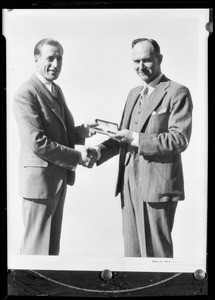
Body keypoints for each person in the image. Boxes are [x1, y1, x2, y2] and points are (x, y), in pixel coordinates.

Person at [87, 38, 193, 258]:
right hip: (128, 185)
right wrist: (97, 151)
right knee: (132, 256)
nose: (141, 67)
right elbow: (122, 136)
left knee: (157, 257)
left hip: (157, 187)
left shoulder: (177, 92)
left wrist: (136, 138)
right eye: (136, 61)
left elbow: (179, 139)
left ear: (159, 59)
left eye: (147, 60)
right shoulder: (134, 93)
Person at [13, 38, 97, 255]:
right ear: (36, 60)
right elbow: (38, 143)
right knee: (35, 250)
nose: (56, 64)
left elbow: (57, 133)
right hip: (39, 183)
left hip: (56, 178)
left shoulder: (55, 89)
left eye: (59, 58)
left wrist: (81, 132)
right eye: (50, 58)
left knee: (50, 251)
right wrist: (78, 157)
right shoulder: (26, 93)